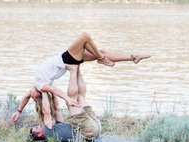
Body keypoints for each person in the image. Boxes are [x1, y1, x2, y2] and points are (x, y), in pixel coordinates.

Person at [10, 32, 151, 123]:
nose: (31, 94)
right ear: (39, 94)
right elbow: (56, 92)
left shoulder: (37, 87)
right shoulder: (41, 85)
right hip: (66, 59)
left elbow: (25, 97)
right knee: (85, 37)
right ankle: (102, 59)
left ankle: (132, 57)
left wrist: (18, 111)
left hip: (66, 59)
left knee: (100, 51)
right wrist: (68, 99)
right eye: (34, 97)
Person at [29, 64, 102, 142]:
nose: (39, 125)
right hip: (87, 131)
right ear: (39, 134)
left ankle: (77, 68)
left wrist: (52, 90)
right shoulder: (47, 132)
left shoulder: (55, 129)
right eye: (36, 128)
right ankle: (73, 70)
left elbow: (56, 108)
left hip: (94, 128)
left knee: (80, 97)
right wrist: (43, 90)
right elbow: (46, 111)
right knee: (71, 100)